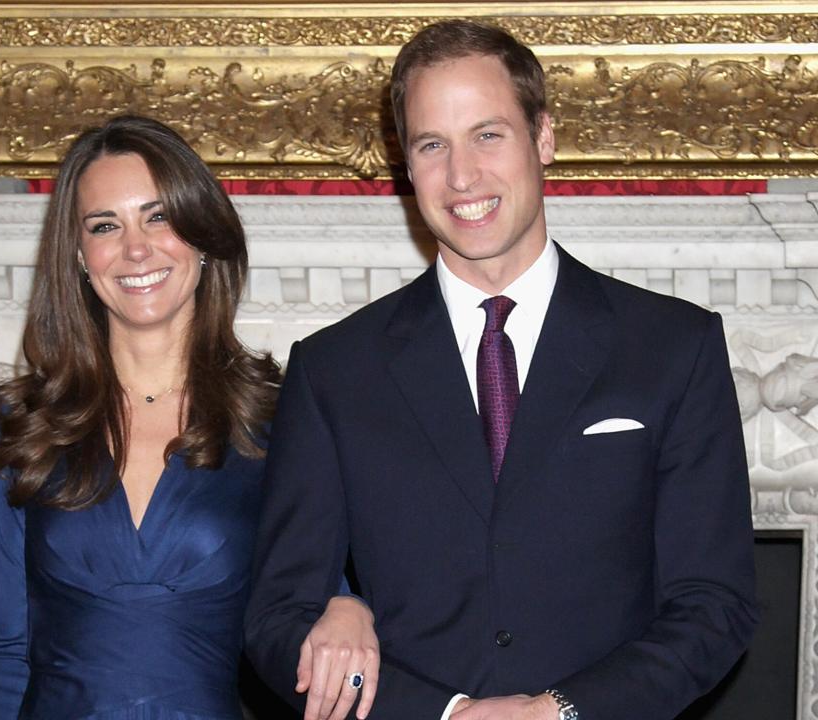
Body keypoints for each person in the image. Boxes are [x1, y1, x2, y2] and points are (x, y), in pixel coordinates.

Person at [244, 20, 758, 720]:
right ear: (406, 164)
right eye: (433, 145)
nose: (462, 177)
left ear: (543, 137)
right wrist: (444, 712)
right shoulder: (334, 370)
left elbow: (715, 606)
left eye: (488, 134)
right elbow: (277, 621)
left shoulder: (674, 348)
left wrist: (558, 711)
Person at [0, 114, 378, 720]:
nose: (136, 248)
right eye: (105, 225)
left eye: (158, 215)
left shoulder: (281, 418)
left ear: (201, 233)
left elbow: (310, 592)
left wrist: (351, 606)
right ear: (78, 254)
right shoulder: (16, 423)